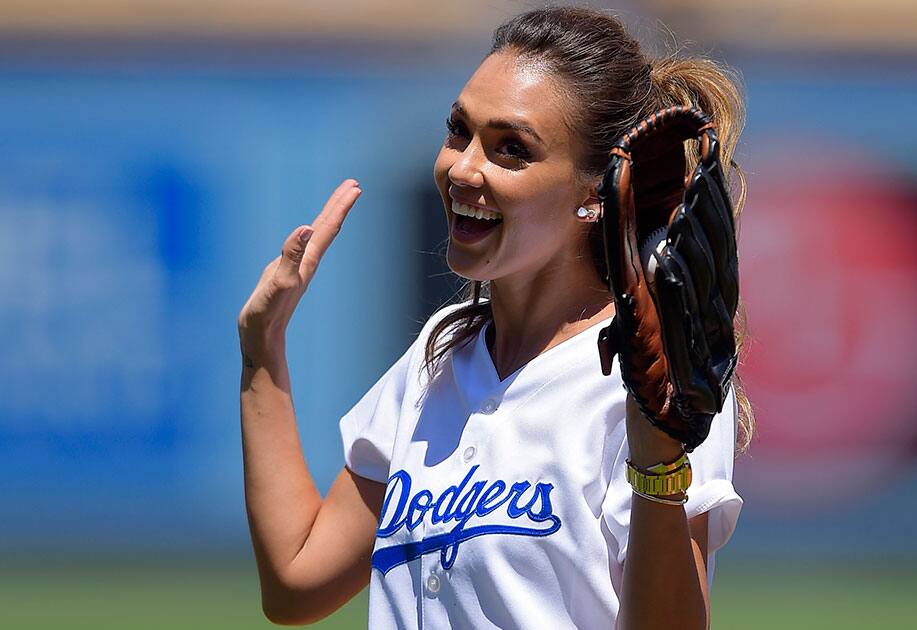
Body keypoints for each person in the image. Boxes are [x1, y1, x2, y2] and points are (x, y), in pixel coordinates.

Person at [238, 6, 753, 629]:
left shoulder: (648, 374)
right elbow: (297, 581)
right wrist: (262, 349)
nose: (462, 168)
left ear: (598, 190)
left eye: (512, 149)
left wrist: (657, 466)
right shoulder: (440, 355)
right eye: (459, 131)